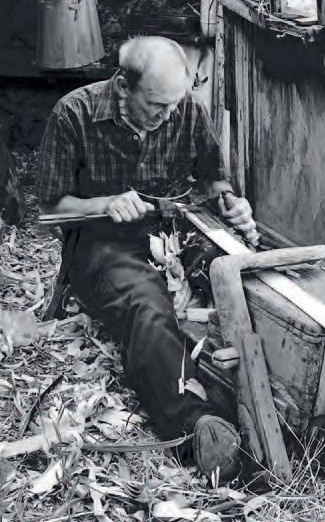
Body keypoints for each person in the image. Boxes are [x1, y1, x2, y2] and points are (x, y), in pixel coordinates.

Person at [37, 36, 256, 483]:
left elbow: (214, 181)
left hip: (174, 230)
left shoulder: (186, 109)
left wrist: (232, 204)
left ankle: (261, 400)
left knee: (236, 281)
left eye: (175, 103)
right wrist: (103, 204)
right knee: (147, 304)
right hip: (103, 240)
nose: (170, 115)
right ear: (123, 87)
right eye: (157, 105)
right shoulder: (73, 113)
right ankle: (195, 425)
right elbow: (49, 210)